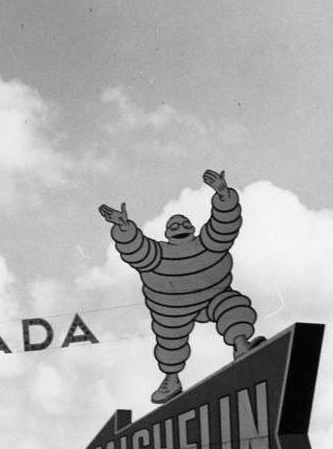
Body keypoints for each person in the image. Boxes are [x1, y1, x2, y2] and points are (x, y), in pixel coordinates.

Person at [100, 169, 261, 404]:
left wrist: (224, 195)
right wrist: (125, 228)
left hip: (212, 297)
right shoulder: (158, 255)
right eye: (173, 226)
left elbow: (223, 226)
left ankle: (240, 345)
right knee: (169, 337)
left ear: (192, 229)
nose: (179, 227)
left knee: (233, 306)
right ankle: (171, 378)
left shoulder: (208, 245)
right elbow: (137, 249)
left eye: (183, 223)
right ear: (167, 234)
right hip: (174, 309)